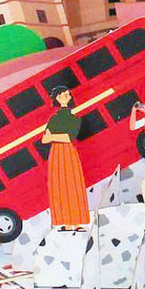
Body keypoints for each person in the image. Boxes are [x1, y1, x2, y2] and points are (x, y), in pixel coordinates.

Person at [43, 84, 89, 228]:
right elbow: (44, 139)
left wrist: (53, 136)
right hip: (56, 154)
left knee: (73, 184)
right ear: (56, 98)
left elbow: (69, 137)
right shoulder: (53, 119)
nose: (64, 96)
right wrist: (59, 136)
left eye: (67, 94)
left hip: (68, 153)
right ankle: (66, 223)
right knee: (59, 186)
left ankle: (78, 221)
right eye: (61, 94)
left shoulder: (75, 119)